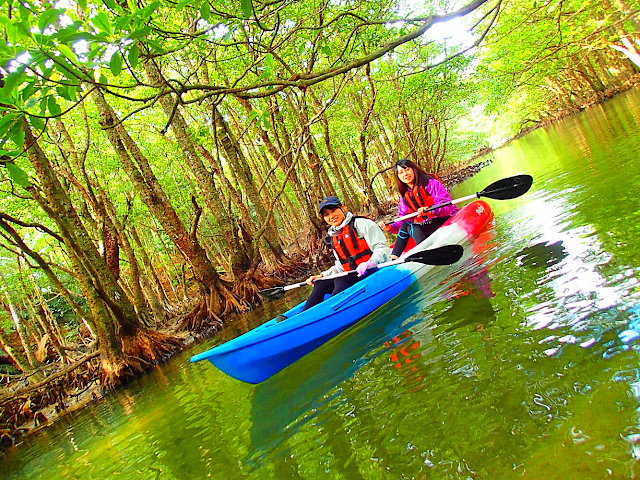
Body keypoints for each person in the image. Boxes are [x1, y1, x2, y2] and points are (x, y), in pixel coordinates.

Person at [302, 195, 390, 311]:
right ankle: (304, 315)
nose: (331, 216)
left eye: (333, 211)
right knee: (321, 283)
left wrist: (369, 263)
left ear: (342, 208)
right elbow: (341, 266)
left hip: (374, 270)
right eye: (326, 214)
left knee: (341, 280)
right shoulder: (334, 236)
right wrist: (322, 276)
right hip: (353, 275)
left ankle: (328, 314)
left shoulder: (362, 224)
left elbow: (382, 248)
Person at [380, 158, 459, 259]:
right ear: (398, 177)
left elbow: (446, 206)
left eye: (407, 169)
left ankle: (425, 253)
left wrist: (431, 211)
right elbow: (403, 221)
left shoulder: (431, 183)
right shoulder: (405, 197)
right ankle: (394, 259)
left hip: (446, 218)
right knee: (405, 226)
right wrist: (391, 227)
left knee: (412, 227)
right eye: (401, 172)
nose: (405, 174)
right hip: (430, 225)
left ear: (413, 169)